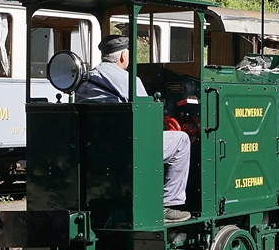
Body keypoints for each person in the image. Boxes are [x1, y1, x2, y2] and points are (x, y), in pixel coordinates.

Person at [76, 35, 192, 223]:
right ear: (123, 56)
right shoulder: (129, 80)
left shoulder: (85, 80)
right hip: (125, 149)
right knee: (181, 140)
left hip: (92, 149)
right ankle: (166, 204)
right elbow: (147, 120)